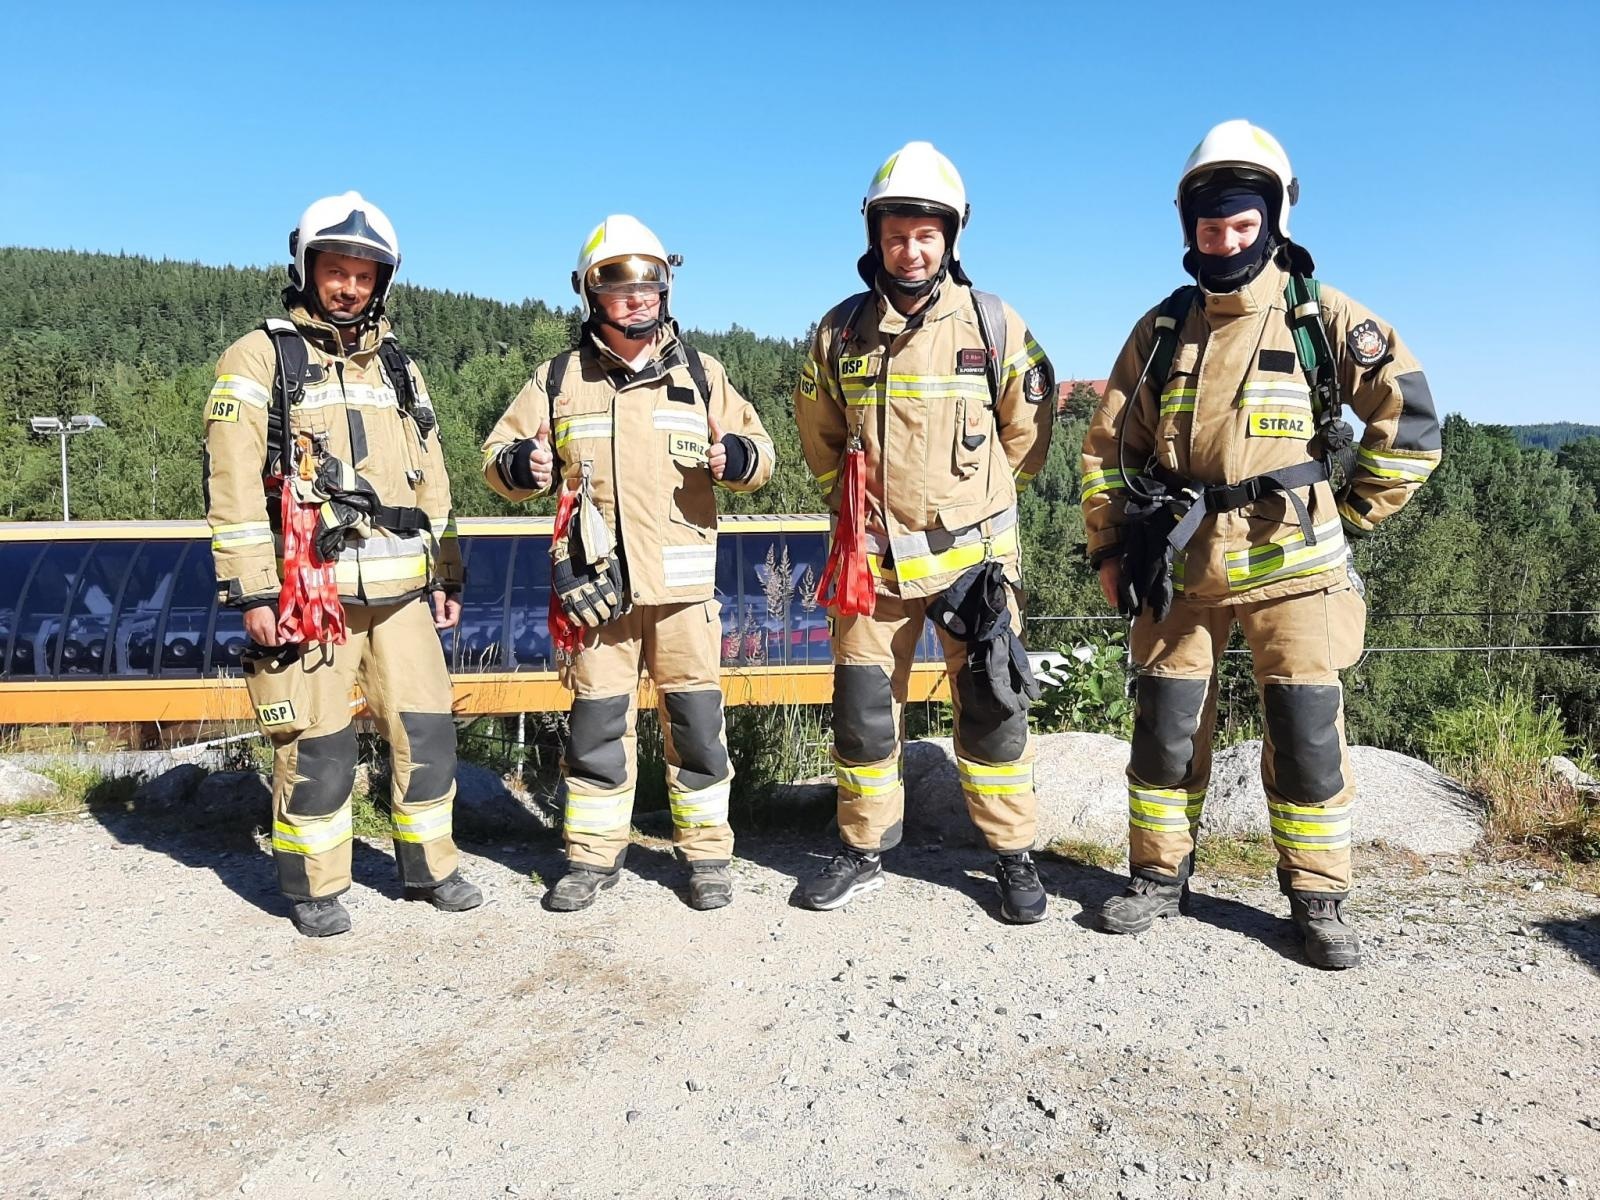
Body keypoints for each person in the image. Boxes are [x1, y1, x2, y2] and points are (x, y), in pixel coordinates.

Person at [1080, 121, 1442, 968]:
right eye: (1212, 228)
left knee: (1307, 731)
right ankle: (1157, 880)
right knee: (1165, 730)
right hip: (1181, 565)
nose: (1228, 241)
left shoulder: (1328, 317)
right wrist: (1109, 550)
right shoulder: (1163, 328)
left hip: (1299, 570)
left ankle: (1318, 899)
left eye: (1244, 224)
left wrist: (1349, 514)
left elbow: (1413, 423)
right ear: (1189, 230)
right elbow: (1106, 449)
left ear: (1275, 219)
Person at [204, 191, 480, 937]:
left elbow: (434, 474)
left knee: (424, 733)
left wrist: (446, 571)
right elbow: (230, 484)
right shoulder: (261, 356)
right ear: (307, 267)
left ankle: (430, 869)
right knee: (317, 743)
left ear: (381, 282)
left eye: (364, 274)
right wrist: (253, 592)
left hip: (401, 595)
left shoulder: (397, 366)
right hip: (311, 592)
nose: (350, 286)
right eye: (336, 269)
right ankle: (314, 887)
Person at [792, 142, 1056, 923]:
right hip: (871, 569)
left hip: (972, 567)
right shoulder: (838, 333)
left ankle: (1011, 857)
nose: (911, 249)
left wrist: (966, 505)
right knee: (866, 712)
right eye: (897, 233)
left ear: (952, 238)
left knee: (994, 709)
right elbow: (820, 441)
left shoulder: (994, 323)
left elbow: (1027, 440)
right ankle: (863, 850)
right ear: (875, 236)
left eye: (926, 234)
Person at [482, 215, 774, 912]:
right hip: (598, 594)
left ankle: (705, 858)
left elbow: (761, 453)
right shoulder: (558, 379)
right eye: (619, 287)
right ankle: (591, 859)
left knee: (698, 728)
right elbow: (497, 458)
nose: (637, 298)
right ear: (591, 293)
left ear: (665, 289)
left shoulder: (703, 374)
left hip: (683, 598)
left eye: (649, 284)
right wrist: (524, 464)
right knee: (597, 729)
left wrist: (737, 458)